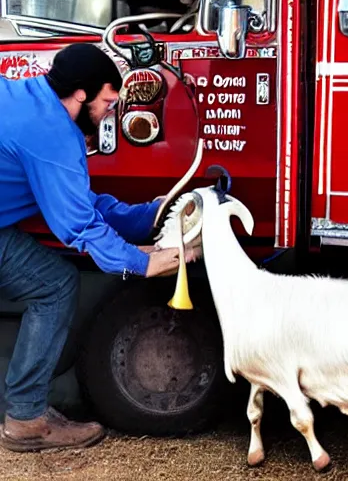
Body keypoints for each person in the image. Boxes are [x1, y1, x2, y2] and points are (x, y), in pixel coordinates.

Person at [0, 43, 199, 452]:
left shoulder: (27, 97)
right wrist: (140, 264)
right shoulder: (52, 135)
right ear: (81, 93)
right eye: (108, 100)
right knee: (54, 286)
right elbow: (78, 225)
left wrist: (149, 215)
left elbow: (80, 200)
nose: (110, 111)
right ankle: (26, 420)